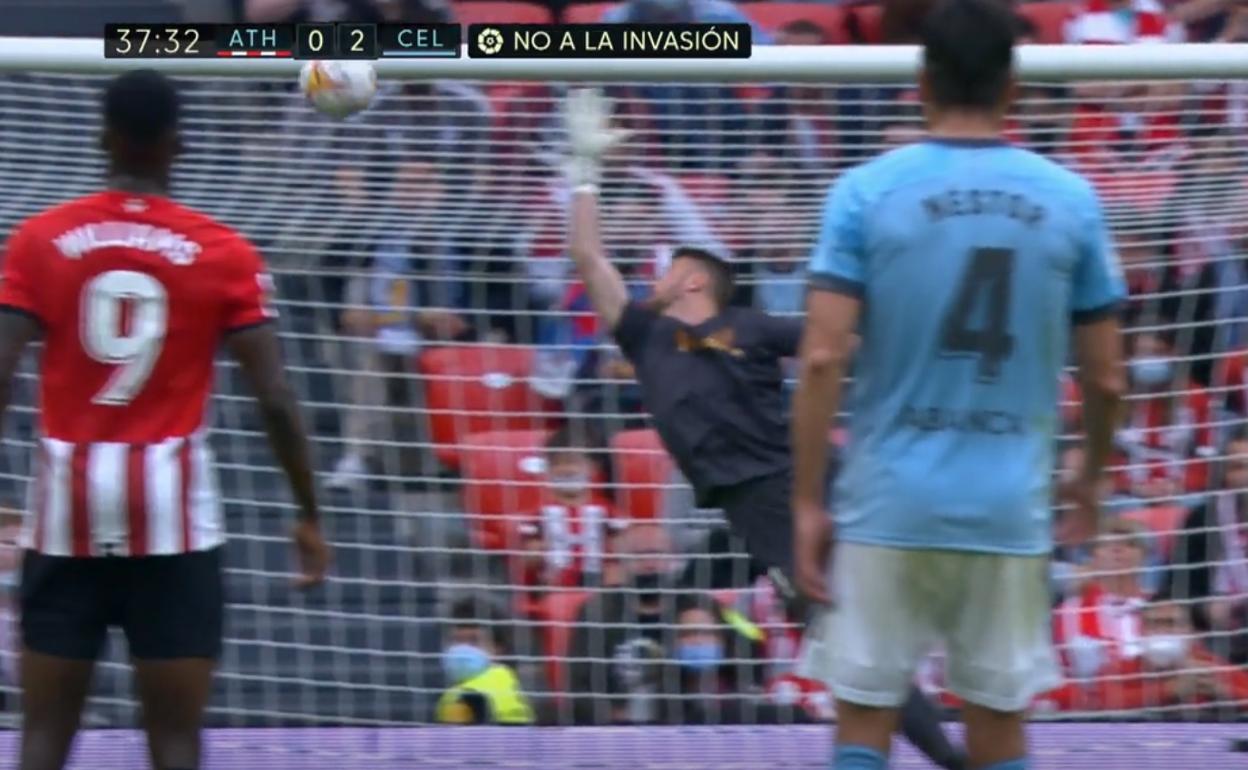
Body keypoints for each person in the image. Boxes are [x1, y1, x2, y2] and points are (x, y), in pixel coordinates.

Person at [562, 90, 966, 766]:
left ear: (694, 281)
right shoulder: (643, 337)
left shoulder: (748, 327)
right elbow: (587, 256)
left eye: (667, 268)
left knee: (848, 639)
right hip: (755, 507)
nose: (652, 277)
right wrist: (583, 173)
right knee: (848, 645)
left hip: (793, 485)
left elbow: (841, 345)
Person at [789, 0, 1128, 768]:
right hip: (1008, 504)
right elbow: (1108, 376)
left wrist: (808, 500)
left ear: (921, 83)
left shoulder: (865, 191)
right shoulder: (1071, 199)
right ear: (1014, 88)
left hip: (887, 500)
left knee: (866, 717)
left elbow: (820, 357)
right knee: (998, 724)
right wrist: (1091, 479)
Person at [0, 70, 331, 770]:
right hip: (171, 517)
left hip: (65, 512)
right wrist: (308, 511)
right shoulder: (223, 252)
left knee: (43, 742)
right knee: (175, 745)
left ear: (102, 139)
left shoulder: (39, 240)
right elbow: (274, 396)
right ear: (180, 143)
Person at [435, 598, 536, 725]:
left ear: (498, 648)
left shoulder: (464, 696)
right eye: (457, 640)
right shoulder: (510, 681)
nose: (463, 649)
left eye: (474, 641)